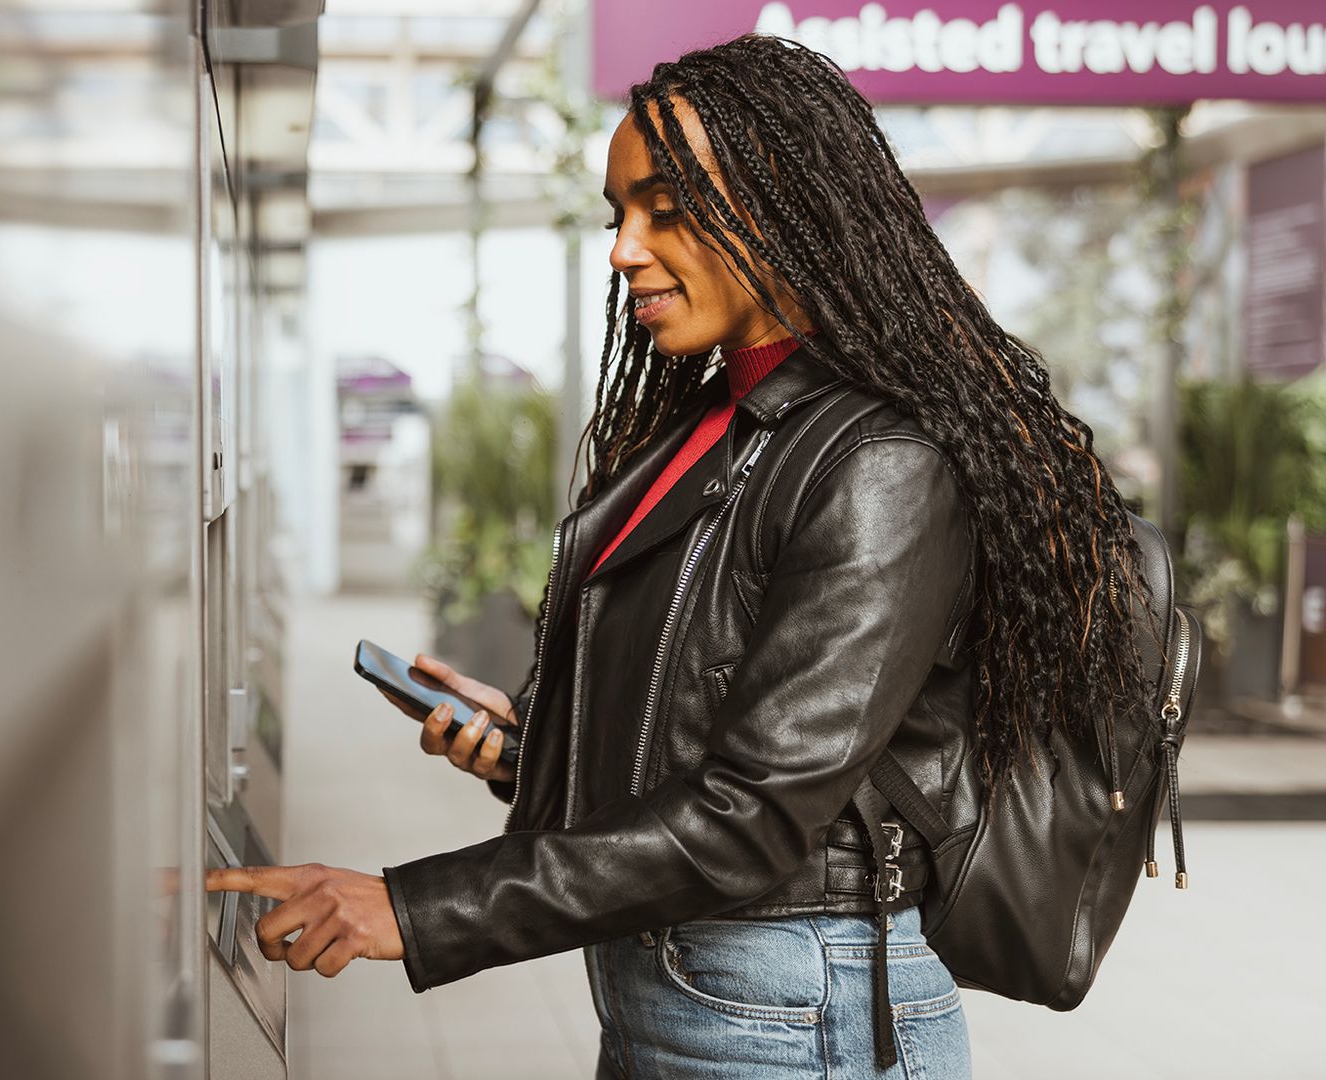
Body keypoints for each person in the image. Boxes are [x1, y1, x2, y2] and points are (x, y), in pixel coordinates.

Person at [208, 33, 1155, 1080]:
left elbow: (753, 816)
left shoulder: (882, 463)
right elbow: (717, 718)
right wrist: (532, 751)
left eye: (668, 208)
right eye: (621, 214)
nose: (625, 249)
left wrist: (419, 906)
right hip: (693, 990)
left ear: (786, 205)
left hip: (792, 1013)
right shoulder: (718, 420)